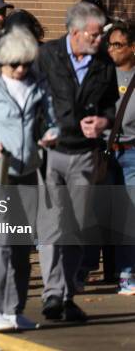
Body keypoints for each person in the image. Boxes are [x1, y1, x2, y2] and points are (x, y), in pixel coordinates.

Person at [0, 27, 59, 331]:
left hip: (28, 167)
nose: (20, 70)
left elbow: (52, 120)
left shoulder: (37, 83)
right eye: (14, 64)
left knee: (20, 241)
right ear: (2, 61)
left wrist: (51, 134)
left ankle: (13, 310)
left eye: (25, 64)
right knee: (0, 238)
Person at [37, 1, 118, 322]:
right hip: (50, 152)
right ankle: (52, 293)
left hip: (84, 154)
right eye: (94, 35)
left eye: (101, 35)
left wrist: (102, 123)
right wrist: (39, 130)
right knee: (52, 226)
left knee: (76, 227)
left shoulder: (104, 65)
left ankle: (67, 293)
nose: (100, 41)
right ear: (75, 32)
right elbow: (28, 96)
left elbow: (112, 106)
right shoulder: (48, 56)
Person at [105, 19, 135, 295]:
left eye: (118, 44)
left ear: (132, 48)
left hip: (131, 154)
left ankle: (127, 273)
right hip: (104, 154)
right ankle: (89, 270)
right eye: (109, 44)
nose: (112, 49)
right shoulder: (102, 75)